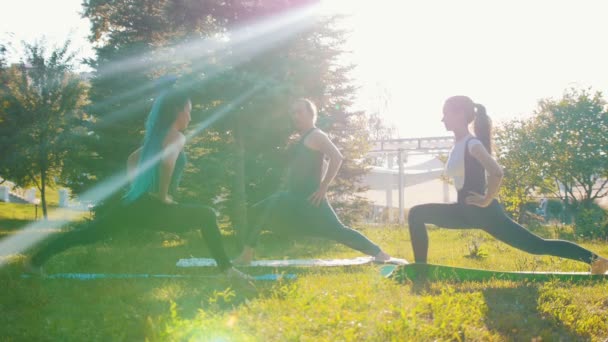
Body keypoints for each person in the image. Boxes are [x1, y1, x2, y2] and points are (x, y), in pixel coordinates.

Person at [26, 87, 251, 281]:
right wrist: (163, 196)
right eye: (188, 111)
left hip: (137, 205)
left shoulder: (157, 138)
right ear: (177, 111)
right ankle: (226, 270)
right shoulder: (175, 137)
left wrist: (137, 188)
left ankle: (35, 262)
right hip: (155, 208)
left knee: (89, 234)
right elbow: (166, 164)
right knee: (207, 215)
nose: (190, 117)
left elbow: (132, 160)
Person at [407, 95, 608, 274]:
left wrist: (486, 200)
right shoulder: (458, 144)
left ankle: (598, 261)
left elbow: (497, 172)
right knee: (417, 214)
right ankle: (421, 269)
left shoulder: (472, 144)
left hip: (482, 212)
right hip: (464, 210)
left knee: (536, 245)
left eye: (446, 114)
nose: (443, 119)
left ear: (459, 114)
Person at [234, 98, 397, 265]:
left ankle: (380, 254)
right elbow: (323, 163)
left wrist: (323, 187)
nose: (295, 116)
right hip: (294, 196)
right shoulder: (305, 137)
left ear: (311, 114)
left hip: (310, 197)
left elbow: (336, 157)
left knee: (337, 231)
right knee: (258, 212)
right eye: (293, 112)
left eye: (299, 112)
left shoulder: (316, 135)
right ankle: (247, 255)